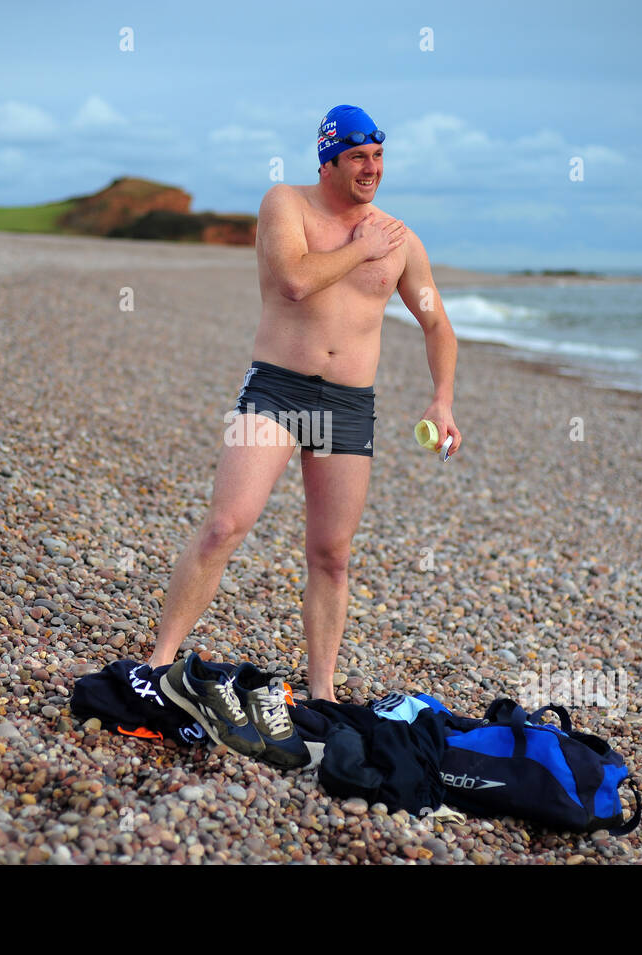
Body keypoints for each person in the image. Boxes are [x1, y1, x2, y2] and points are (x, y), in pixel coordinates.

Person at [149, 104, 460, 703]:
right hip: (275, 390)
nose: (371, 169)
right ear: (328, 161)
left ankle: (322, 694)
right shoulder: (285, 204)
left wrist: (442, 400)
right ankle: (158, 667)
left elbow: (437, 324)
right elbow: (293, 279)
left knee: (332, 554)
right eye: (357, 158)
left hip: (349, 404)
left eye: (378, 157)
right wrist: (361, 247)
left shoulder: (401, 239)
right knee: (223, 525)